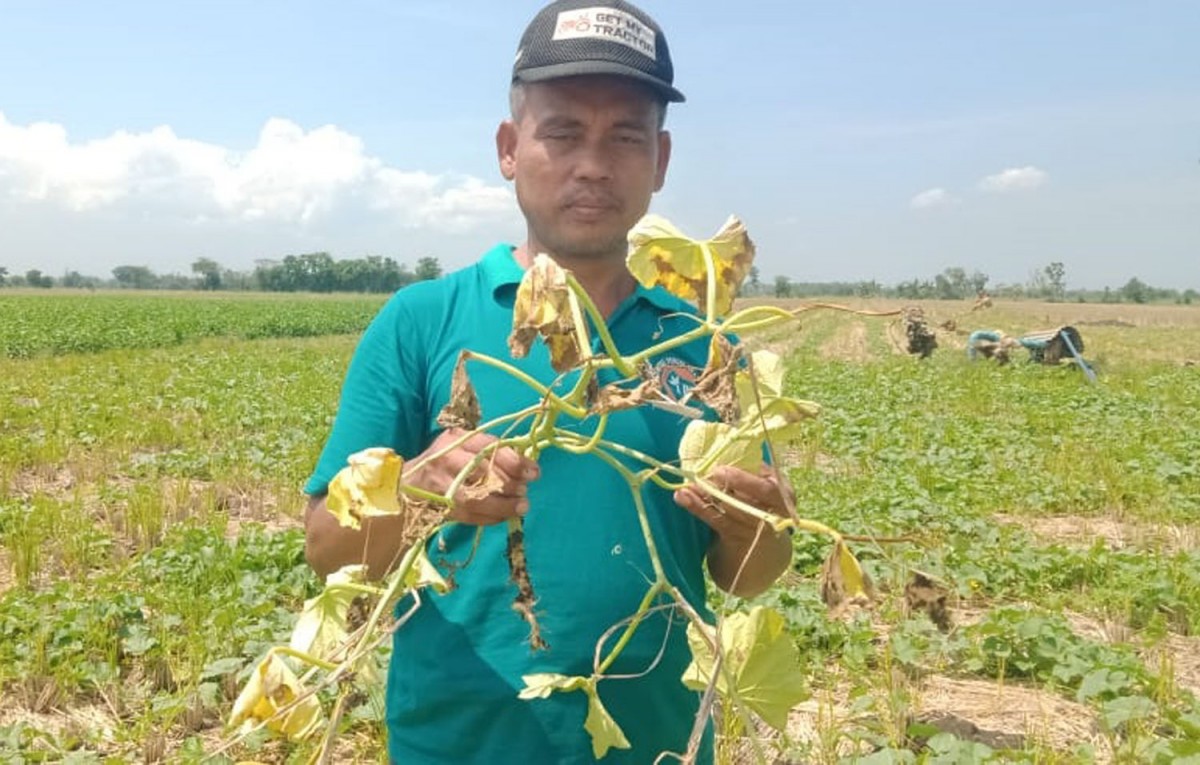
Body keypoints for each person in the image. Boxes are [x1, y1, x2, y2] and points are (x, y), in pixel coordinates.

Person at [302, 2, 793, 761]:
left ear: (660, 160)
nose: (592, 163)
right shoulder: (422, 321)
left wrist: (756, 527)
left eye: (624, 137)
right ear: (509, 147)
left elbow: (750, 575)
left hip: (658, 745)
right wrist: (418, 489)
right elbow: (327, 549)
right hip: (455, 746)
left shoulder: (708, 346)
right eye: (562, 131)